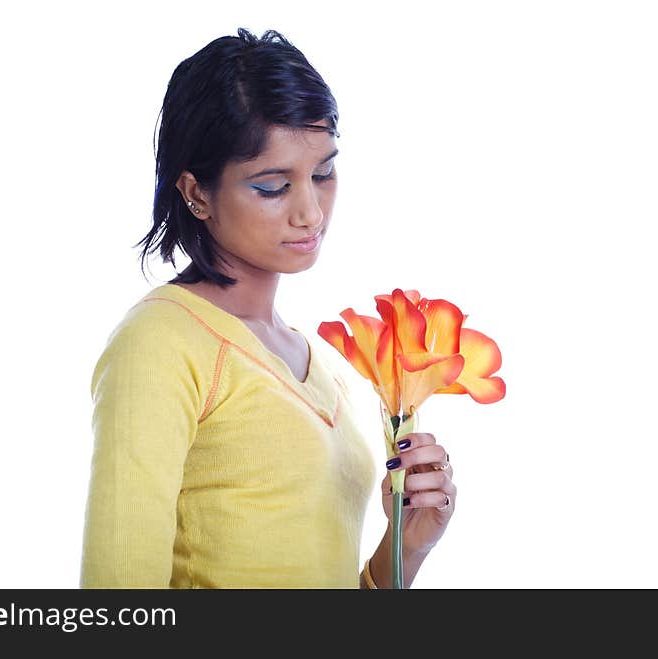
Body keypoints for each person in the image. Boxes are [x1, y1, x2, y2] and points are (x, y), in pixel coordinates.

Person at [79, 27, 457, 589]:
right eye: (273, 186)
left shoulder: (318, 363)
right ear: (196, 193)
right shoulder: (160, 342)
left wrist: (405, 546)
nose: (311, 212)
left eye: (323, 173)